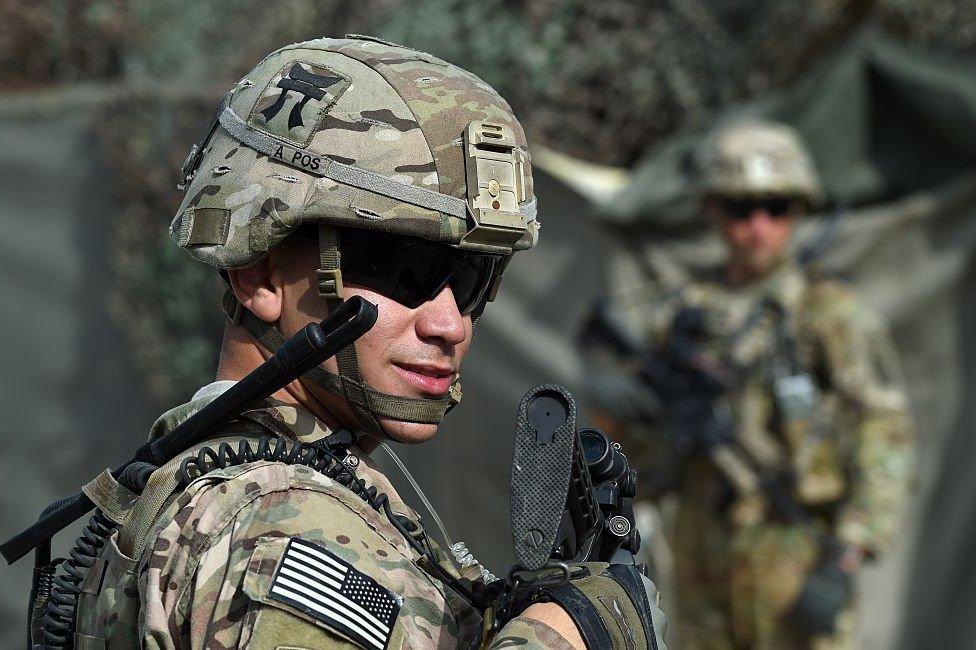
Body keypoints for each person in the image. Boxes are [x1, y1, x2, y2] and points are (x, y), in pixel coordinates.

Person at [49, 36, 666, 649]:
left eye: (472, 279)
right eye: (403, 270)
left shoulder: (204, 479)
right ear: (258, 271)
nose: (448, 323)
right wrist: (567, 635)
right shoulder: (286, 531)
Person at [581, 119, 913, 649]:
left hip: (794, 544)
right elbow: (630, 438)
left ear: (798, 210)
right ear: (712, 209)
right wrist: (619, 406)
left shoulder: (827, 315)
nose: (758, 226)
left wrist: (850, 551)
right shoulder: (679, 314)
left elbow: (882, 430)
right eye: (740, 209)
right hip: (699, 547)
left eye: (775, 208)